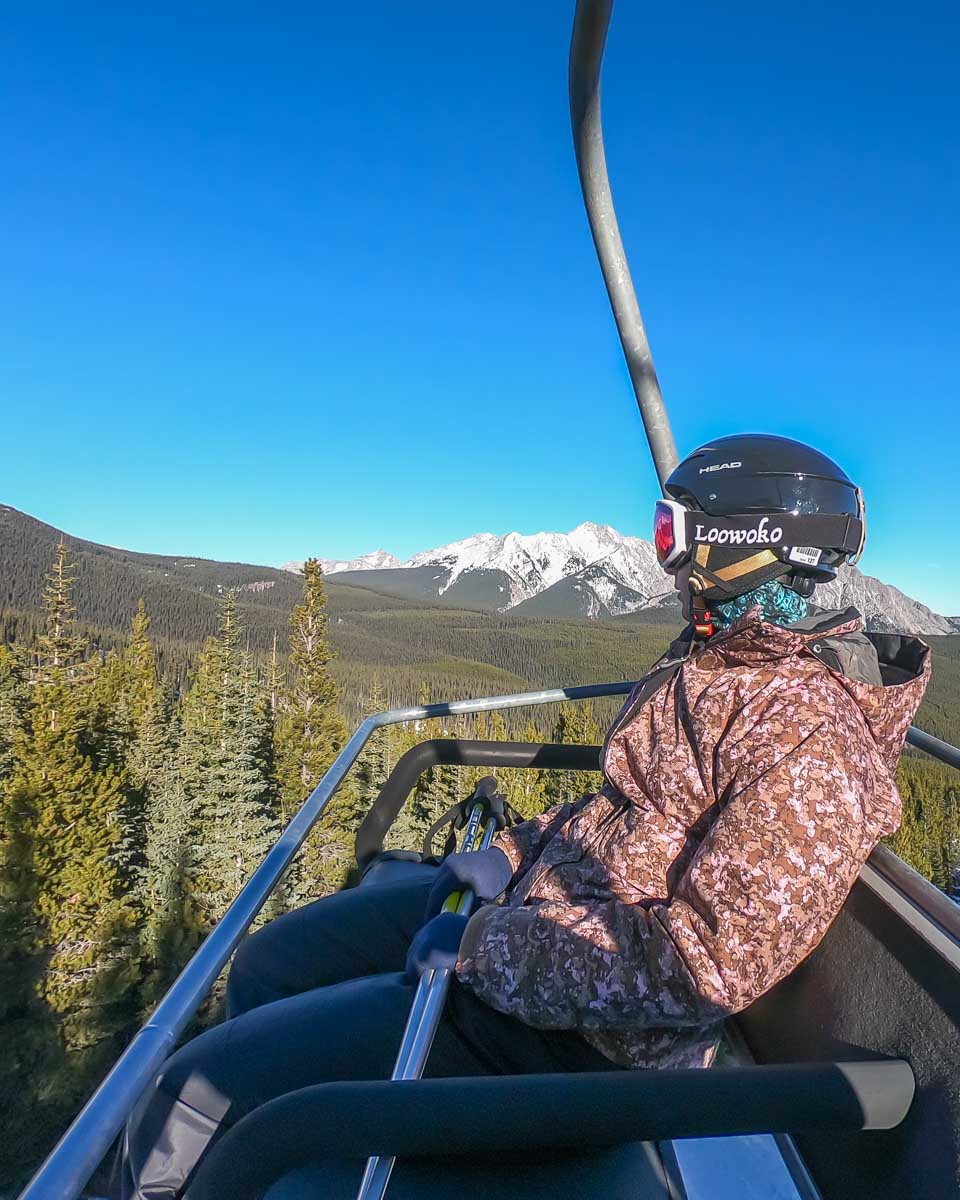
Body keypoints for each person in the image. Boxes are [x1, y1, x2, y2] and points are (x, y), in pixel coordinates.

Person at [122, 433, 930, 1199]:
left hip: (580, 1036)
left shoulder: (807, 740)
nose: (669, 556)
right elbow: (628, 804)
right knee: (271, 964)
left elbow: (702, 970)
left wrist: (487, 947)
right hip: (533, 912)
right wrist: (512, 850)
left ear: (746, 538)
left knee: (195, 1092)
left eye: (677, 530)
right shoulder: (710, 660)